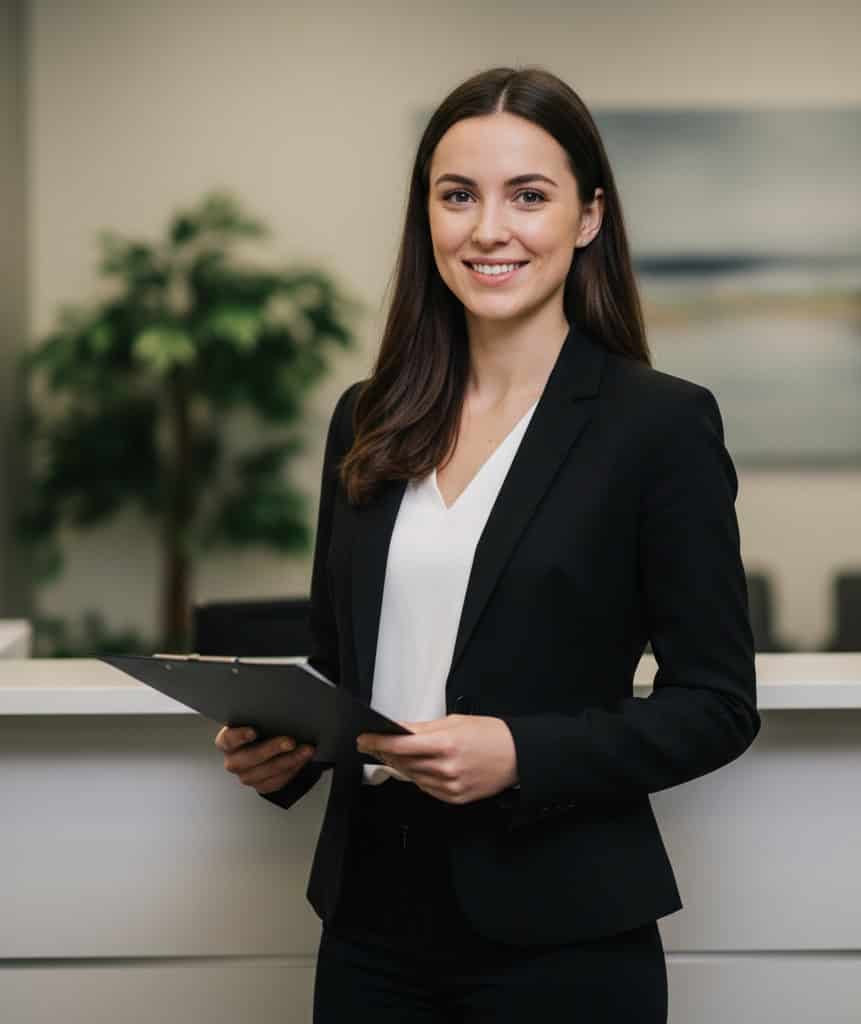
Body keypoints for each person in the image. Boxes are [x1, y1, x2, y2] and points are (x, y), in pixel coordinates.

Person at [214, 65, 760, 1022]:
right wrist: (289, 749)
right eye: (457, 195)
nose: (487, 229)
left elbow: (716, 704)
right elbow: (343, 666)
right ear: (426, 216)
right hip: (369, 928)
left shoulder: (658, 425)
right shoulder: (369, 417)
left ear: (589, 217)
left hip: (564, 937)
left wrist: (521, 754)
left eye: (529, 196)